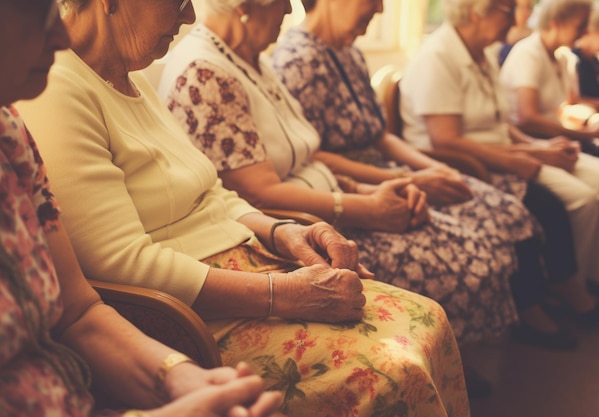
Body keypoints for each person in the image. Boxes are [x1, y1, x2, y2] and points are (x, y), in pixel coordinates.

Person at [15, 0, 471, 416]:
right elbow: (122, 264)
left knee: (427, 317)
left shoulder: (128, 78)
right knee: (391, 365)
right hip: (194, 311)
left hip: (249, 264)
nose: (190, 15)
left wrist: (282, 232)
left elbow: (213, 193)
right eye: (177, 1)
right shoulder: (55, 88)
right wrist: (285, 293)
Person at [159, 0, 589, 370]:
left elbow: (311, 155)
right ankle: (444, 360)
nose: (291, 8)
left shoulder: (252, 61)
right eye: (281, 0)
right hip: (310, 222)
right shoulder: (209, 69)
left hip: (335, 200)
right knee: (475, 254)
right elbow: (259, 191)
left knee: (487, 233)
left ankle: (452, 357)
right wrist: (368, 203)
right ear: (244, 5)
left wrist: (381, 189)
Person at [0, 1, 285, 417]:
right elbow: (122, 261)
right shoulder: (58, 91)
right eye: (37, 13)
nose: (61, 35)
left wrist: (180, 377)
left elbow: (79, 313)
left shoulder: (11, 132)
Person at [399, 0, 599, 322]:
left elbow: (501, 125)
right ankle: (564, 284)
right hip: (464, 162)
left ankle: (578, 279)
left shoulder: (484, 54)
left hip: (497, 153)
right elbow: (446, 140)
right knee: (573, 201)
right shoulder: (438, 56)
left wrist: (533, 147)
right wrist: (523, 157)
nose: (520, 17)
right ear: (477, 11)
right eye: (510, 8)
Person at [499, 0, 599, 297]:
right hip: (532, 138)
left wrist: (591, 124)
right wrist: (578, 135)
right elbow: (527, 118)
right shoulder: (527, 54)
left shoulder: (564, 58)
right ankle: (572, 282)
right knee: (586, 198)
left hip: (549, 139)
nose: (583, 32)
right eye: (578, 25)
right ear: (556, 22)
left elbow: (567, 106)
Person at [498, 0, 535, 65]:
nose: (528, 14)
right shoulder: (497, 36)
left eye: (529, 8)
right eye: (522, 8)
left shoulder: (533, 34)